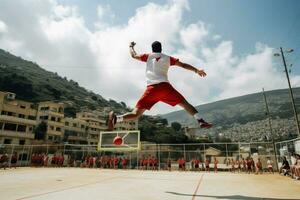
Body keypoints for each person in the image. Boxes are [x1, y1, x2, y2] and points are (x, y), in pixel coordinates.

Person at [107, 41, 213, 131]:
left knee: (135, 114)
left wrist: (131, 47)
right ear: (161, 49)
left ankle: (117, 118)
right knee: (185, 104)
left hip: (151, 90)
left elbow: (133, 55)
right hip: (165, 88)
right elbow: (184, 65)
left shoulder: (147, 56)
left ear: (152, 49)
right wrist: (197, 70)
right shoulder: (168, 58)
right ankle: (200, 121)